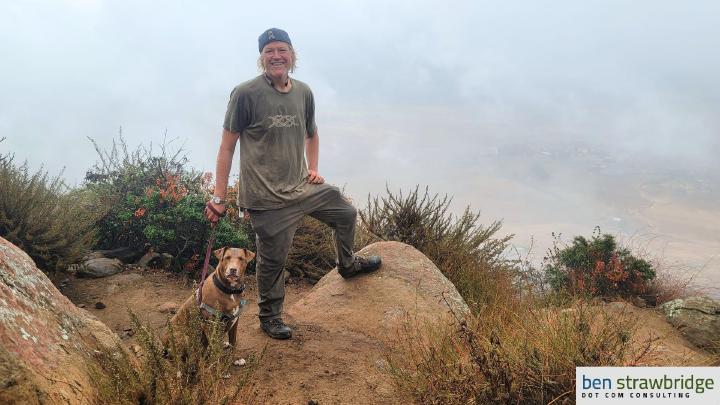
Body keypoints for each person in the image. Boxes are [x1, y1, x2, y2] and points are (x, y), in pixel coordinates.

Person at [205, 28, 381, 340]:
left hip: (301, 187)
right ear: (262, 58)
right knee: (274, 262)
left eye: (282, 50)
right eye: (269, 51)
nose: (276, 56)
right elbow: (227, 146)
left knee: (345, 213)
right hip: (266, 199)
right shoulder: (245, 94)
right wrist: (219, 196)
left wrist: (313, 168)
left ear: (292, 55)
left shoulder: (304, 92)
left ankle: (347, 264)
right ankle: (270, 317)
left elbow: (312, 133)